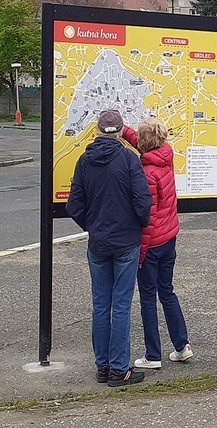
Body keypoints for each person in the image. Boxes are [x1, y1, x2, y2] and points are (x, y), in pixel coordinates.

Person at [66, 110, 151, 387]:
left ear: (98, 130)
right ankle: (119, 370)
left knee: (100, 306)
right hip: (126, 241)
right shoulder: (129, 159)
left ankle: (103, 367)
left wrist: (92, 225)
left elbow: (75, 205)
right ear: (120, 131)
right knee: (121, 305)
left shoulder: (84, 161)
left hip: (99, 242)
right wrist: (138, 224)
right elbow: (143, 201)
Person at [122, 118, 192, 370]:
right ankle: (182, 346)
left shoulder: (147, 172)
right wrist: (123, 130)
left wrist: (140, 254)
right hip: (169, 237)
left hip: (152, 244)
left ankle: (152, 355)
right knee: (167, 291)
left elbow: (147, 218)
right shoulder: (165, 156)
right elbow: (141, 143)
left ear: (143, 143)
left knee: (148, 298)